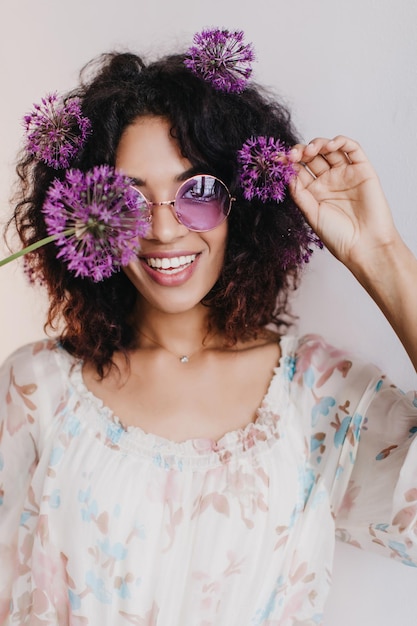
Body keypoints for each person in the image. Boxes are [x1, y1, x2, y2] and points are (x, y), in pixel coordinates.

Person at [0, 29, 416, 626]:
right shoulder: (35, 388)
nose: (164, 231)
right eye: (128, 198)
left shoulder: (315, 395)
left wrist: (382, 255)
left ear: (242, 205)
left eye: (197, 191)